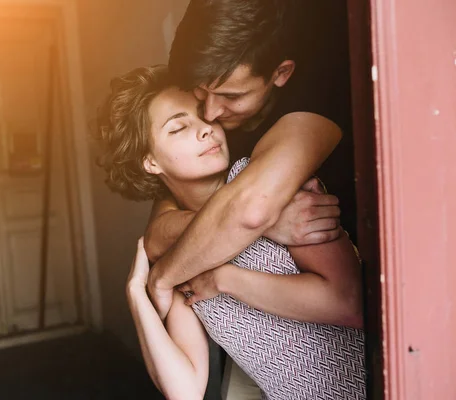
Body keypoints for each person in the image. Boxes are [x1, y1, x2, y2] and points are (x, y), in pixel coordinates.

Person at [96, 65, 365, 399]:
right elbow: (185, 391)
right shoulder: (174, 255)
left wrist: (223, 279)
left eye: (204, 118)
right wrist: (137, 295)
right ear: (150, 162)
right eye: (179, 127)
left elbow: (350, 304)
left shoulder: (267, 182)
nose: (206, 130)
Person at [145, 2, 357, 396]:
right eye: (200, 94)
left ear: (281, 74)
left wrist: (162, 277)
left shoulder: (313, 100)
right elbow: (160, 228)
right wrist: (268, 225)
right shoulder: (215, 134)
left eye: (230, 95)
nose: (210, 114)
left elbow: (251, 208)